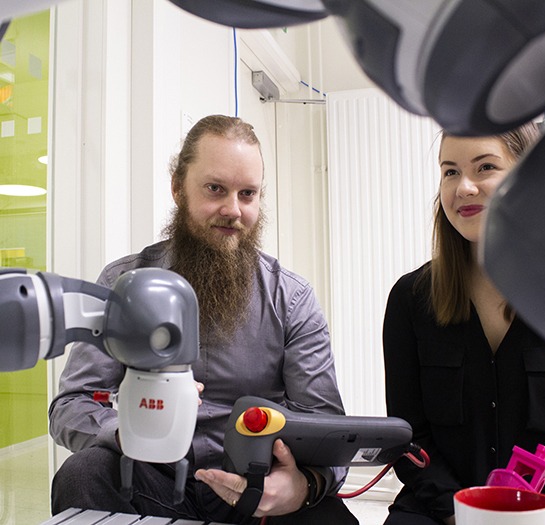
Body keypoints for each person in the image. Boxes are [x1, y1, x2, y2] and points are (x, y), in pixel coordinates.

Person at [49, 114, 359, 525]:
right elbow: (70, 405)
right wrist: (128, 431)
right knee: (82, 475)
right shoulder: (124, 285)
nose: (233, 210)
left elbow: (329, 430)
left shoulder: (292, 298)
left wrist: (302, 486)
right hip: (152, 481)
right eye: (215, 189)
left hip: (256, 490)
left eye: (247, 194)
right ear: (178, 188)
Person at [382, 123, 545, 525]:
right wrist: (465, 515)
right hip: (445, 512)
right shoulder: (410, 300)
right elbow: (411, 443)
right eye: (450, 172)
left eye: (485, 167)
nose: (464, 187)